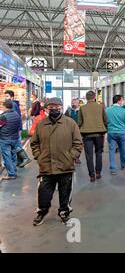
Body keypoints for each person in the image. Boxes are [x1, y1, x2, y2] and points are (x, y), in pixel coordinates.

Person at [30, 97, 83, 226]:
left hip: (65, 166)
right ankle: (42, 212)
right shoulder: (41, 124)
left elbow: (78, 143)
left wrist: (71, 156)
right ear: (46, 109)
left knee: (65, 192)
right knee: (43, 193)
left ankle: (64, 213)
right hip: (46, 166)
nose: (54, 110)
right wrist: (39, 156)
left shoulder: (70, 123)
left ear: (61, 108)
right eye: (51, 108)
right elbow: (34, 143)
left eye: (57, 107)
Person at [78, 91, 108, 182]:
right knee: (99, 153)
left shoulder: (82, 108)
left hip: (86, 134)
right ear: (94, 97)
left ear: (86, 98)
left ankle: (92, 175)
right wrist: (104, 129)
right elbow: (105, 120)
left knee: (88, 155)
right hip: (99, 134)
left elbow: (79, 122)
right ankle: (98, 172)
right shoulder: (100, 107)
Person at [4, 90, 31, 168]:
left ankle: (26, 158)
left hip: (14, 129)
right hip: (16, 128)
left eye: (7, 96)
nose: (6, 98)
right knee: (15, 144)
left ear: (12, 97)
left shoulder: (12, 104)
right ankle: (19, 161)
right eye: (5, 96)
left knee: (16, 145)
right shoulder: (14, 104)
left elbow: (14, 117)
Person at [106, 94, 125, 175]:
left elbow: (105, 122)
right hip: (121, 133)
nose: (123, 101)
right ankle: (123, 164)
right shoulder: (124, 111)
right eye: (122, 100)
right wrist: (124, 129)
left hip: (111, 133)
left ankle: (113, 168)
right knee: (122, 149)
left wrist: (108, 129)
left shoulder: (107, 110)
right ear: (119, 101)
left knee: (112, 150)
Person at [0, 100, 22, 180]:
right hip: (15, 138)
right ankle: (14, 171)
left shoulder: (3, 116)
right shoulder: (16, 114)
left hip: (5, 139)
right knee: (13, 156)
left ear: (5, 107)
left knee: (7, 157)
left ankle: (11, 174)